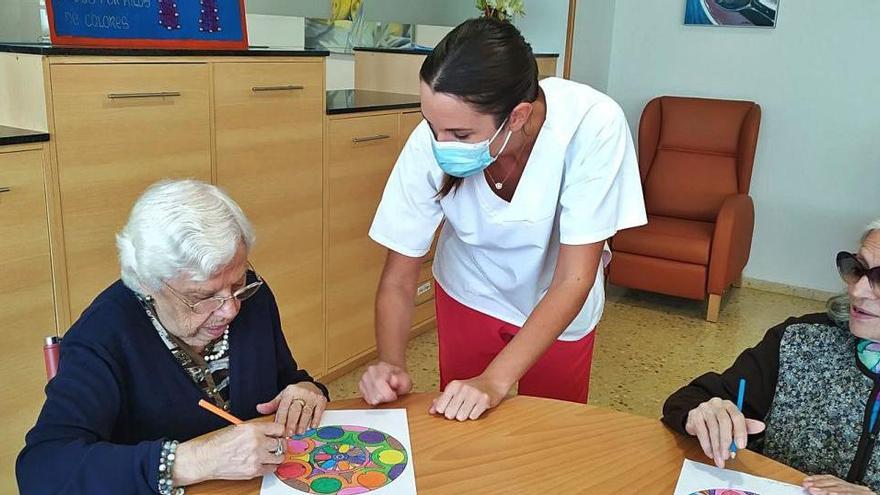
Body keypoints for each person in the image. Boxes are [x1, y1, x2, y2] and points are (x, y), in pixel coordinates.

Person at [359, 17, 646, 422]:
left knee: (551, 432)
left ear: (517, 116)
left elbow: (574, 279)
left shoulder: (593, 124)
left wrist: (494, 381)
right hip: (469, 291)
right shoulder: (435, 137)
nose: (441, 146)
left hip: (560, 302)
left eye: (460, 135)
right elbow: (399, 274)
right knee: (460, 421)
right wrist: (390, 363)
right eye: (431, 125)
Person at [17, 180, 329, 494]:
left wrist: (304, 389)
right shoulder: (103, 337)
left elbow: (285, 379)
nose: (230, 310)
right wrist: (190, 461)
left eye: (237, 284)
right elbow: (42, 470)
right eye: (201, 296)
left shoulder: (252, 298)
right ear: (148, 285)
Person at [663, 219, 880, 495]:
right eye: (857, 269)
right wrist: (703, 413)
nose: (856, 290)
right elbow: (693, 399)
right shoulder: (800, 339)